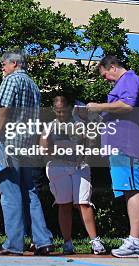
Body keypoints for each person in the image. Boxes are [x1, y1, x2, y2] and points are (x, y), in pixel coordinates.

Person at [0, 51, 53, 256]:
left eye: (3, 64)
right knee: (29, 191)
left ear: (14, 63)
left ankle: (14, 244)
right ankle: (43, 241)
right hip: (27, 143)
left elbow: (4, 109)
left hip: (10, 142)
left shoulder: (11, 80)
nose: (2, 68)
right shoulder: (33, 85)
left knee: (9, 193)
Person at [87, 56, 139, 258]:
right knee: (129, 190)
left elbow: (128, 106)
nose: (105, 79)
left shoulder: (129, 78)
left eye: (105, 74)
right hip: (120, 145)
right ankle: (134, 239)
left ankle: (136, 242)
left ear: (112, 67)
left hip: (127, 144)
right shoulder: (124, 82)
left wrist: (99, 107)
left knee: (133, 189)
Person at [42, 96, 105, 255]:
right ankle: (67, 243)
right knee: (64, 204)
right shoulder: (50, 127)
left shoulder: (81, 124)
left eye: (63, 111)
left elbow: (92, 144)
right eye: (57, 111)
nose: (60, 114)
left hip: (79, 166)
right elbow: (43, 148)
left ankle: (95, 241)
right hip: (58, 166)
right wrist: (59, 151)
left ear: (70, 109)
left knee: (84, 202)